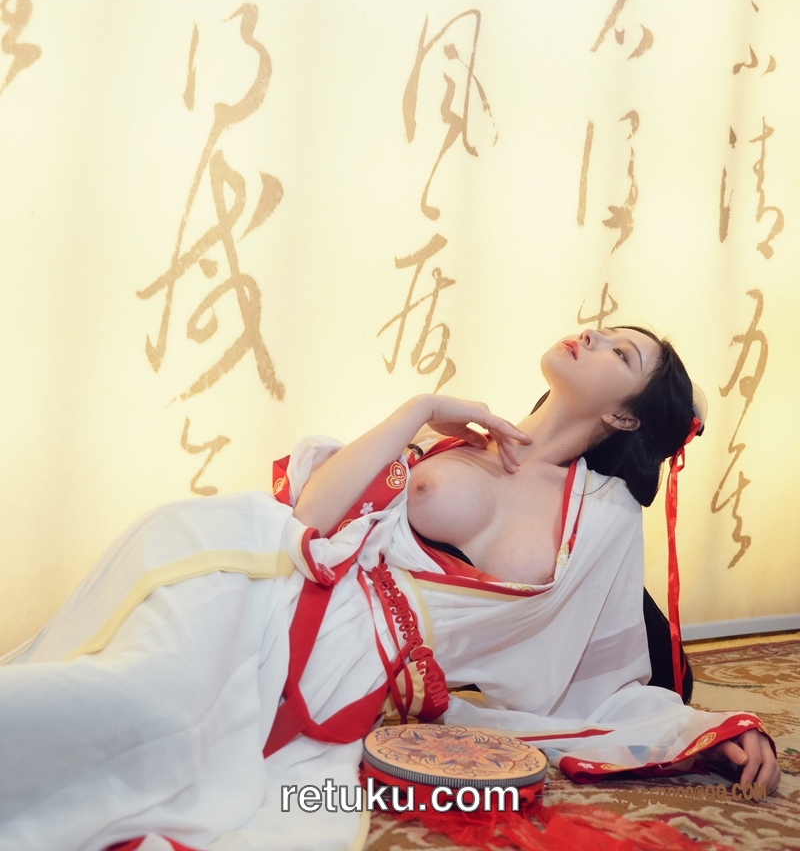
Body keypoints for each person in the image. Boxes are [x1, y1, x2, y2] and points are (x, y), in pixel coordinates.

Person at [0, 326, 780, 851]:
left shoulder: (602, 517)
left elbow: (600, 682)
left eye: (621, 353)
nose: (593, 334)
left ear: (625, 417)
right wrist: (421, 409)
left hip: (349, 664)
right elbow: (310, 518)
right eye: (602, 328)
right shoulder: (456, 437)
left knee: (156, 727)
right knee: (136, 697)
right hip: (257, 571)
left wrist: (704, 731)